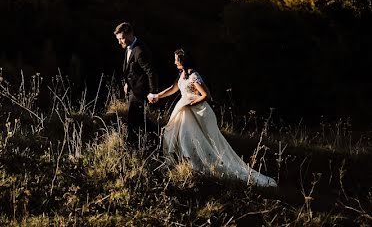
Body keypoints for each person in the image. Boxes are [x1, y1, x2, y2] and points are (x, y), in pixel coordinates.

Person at [148, 49, 277, 187]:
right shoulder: (182, 75)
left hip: (193, 111)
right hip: (183, 111)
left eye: (176, 60)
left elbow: (206, 95)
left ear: (183, 61)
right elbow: (173, 88)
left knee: (190, 137)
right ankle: (183, 164)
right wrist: (158, 96)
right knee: (181, 136)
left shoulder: (193, 76)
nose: (174, 62)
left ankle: (196, 165)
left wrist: (191, 102)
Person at [114, 22, 158, 148]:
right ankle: (158, 136)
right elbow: (131, 70)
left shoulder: (140, 50)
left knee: (133, 119)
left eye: (122, 38)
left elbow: (151, 72)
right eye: (118, 39)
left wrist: (153, 92)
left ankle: (130, 146)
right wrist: (127, 83)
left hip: (140, 91)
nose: (120, 42)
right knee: (139, 119)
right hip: (133, 89)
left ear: (130, 34)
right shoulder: (129, 48)